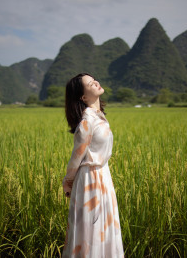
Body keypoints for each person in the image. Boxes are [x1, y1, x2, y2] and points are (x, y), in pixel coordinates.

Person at [62, 73, 124, 257]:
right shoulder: (88, 121)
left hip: (103, 175)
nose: (96, 82)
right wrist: (67, 181)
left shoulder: (98, 116)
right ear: (83, 97)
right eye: (90, 83)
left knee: (104, 227)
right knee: (92, 229)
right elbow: (76, 157)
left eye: (94, 79)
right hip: (90, 180)